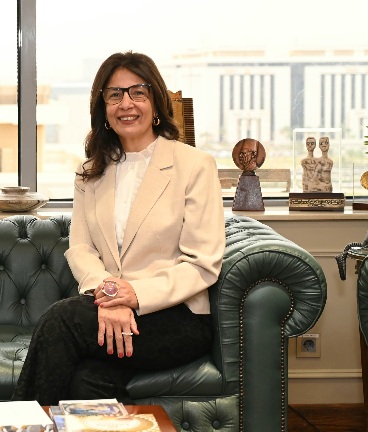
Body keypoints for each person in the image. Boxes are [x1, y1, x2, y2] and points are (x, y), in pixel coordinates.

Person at [11, 51, 225, 405]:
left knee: (62, 320)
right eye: (115, 95)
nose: (126, 104)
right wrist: (111, 296)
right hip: (108, 309)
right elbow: (81, 249)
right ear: (104, 108)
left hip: (175, 317)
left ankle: (19, 424)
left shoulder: (194, 165)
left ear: (155, 102)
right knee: (86, 381)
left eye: (137, 92)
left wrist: (133, 295)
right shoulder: (90, 171)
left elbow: (202, 263)